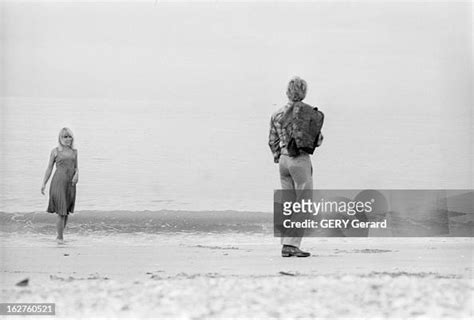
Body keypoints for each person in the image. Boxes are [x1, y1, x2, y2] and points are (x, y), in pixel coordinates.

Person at [268, 77, 323, 257]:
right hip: (299, 160)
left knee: (289, 204)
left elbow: (272, 141)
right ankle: (291, 245)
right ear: (304, 92)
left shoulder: (277, 114)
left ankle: (286, 244)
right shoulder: (307, 113)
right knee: (304, 203)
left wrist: (279, 156)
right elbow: (318, 140)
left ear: (287, 92)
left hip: (283, 161)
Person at [41, 127, 79, 243]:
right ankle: (60, 238)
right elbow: (49, 168)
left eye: (69, 136)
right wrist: (44, 183)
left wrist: (77, 174)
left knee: (66, 212)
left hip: (71, 184)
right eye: (65, 136)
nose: (67, 139)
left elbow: (76, 167)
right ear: (60, 138)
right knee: (61, 212)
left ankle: (60, 237)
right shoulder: (56, 151)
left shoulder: (74, 151)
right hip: (58, 182)